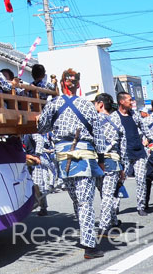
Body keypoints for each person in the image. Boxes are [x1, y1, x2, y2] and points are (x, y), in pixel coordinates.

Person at [37, 68, 106, 259]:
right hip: (84, 156)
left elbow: (42, 127)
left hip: (62, 157)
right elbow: (98, 134)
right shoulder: (87, 105)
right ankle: (90, 245)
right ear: (78, 85)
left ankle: (86, 235)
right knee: (85, 202)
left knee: (77, 200)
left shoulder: (53, 104)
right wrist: (101, 160)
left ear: (61, 84)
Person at [114, 91, 152, 216]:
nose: (132, 102)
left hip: (139, 151)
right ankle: (114, 207)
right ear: (122, 101)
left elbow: (144, 126)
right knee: (119, 181)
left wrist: (150, 138)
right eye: (130, 100)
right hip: (124, 154)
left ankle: (141, 206)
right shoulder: (115, 116)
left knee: (141, 179)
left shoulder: (134, 114)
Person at [93, 93, 124, 235]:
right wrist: (123, 166)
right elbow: (123, 146)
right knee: (108, 195)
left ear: (100, 104)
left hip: (96, 161)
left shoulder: (93, 120)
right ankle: (110, 221)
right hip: (113, 160)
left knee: (103, 193)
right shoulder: (117, 121)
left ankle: (106, 224)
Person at [23, 131, 55, 216]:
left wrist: (37, 154)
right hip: (23, 163)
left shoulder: (30, 132)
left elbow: (40, 140)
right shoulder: (17, 135)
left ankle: (43, 207)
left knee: (38, 185)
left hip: (34, 162)